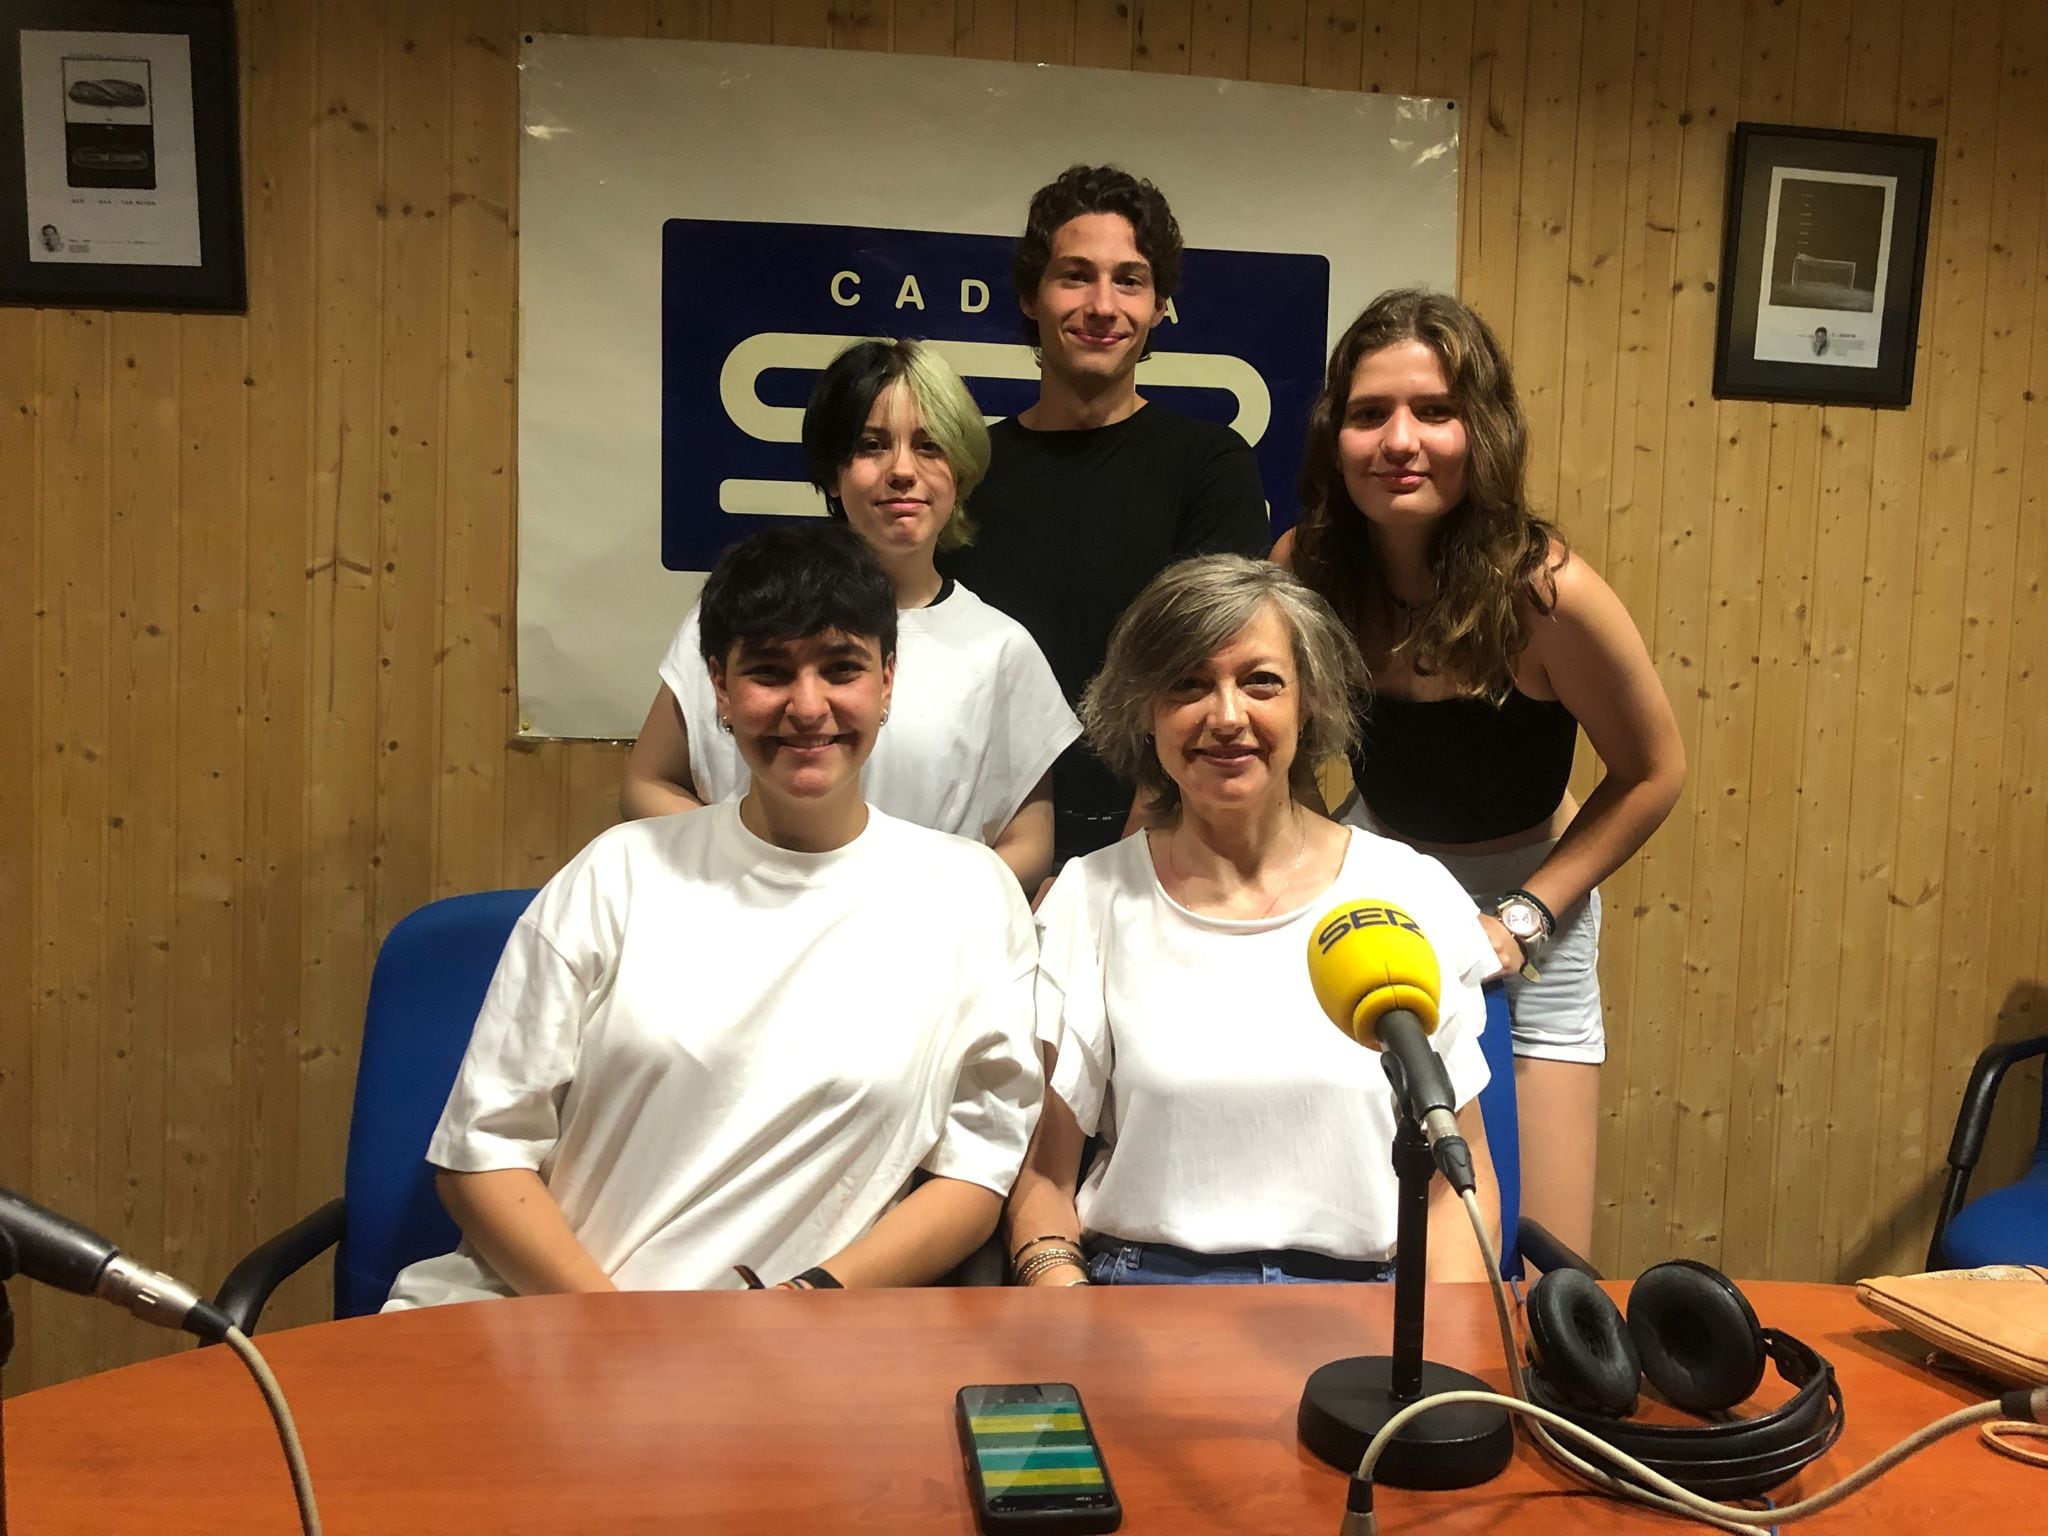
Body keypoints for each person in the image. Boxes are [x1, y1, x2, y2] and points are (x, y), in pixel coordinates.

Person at [387, 525, 1042, 1307]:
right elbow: (481, 1152)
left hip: (796, 1349)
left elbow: (975, 1173)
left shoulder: (968, 895)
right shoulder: (619, 871)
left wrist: (802, 1307)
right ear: (720, 693)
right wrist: (617, 1333)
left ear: (888, 681)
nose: (808, 707)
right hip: (546, 1316)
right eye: (769, 672)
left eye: (842, 669)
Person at [1276, 288, 1685, 1257]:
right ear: (1335, 435)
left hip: (1529, 907)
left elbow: (1652, 772)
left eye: (1434, 411)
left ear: (1482, 431)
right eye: (1370, 413)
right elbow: (1278, 747)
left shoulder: (1544, 592)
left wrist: (1526, 916)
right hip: (1379, 905)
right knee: (1376, 1228)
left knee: (1541, 1257)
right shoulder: (1306, 569)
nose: (1399, 440)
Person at [1002, 556, 1500, 1288]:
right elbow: (1043, 1183)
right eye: (1187, 685)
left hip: (1369, 1310)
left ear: (1310, 703)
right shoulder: (1091, 897)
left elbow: (1460, 1186)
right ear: (1145, 712)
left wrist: (1445, 1368)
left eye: (1261, 682)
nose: (1227, 717)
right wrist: (1069, 1310)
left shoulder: (1407, 891)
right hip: (1144, 1303)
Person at [622, 338, 1078, 892]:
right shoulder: (749, 614)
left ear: (959, 471)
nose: (902, 471)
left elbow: (1029, 840)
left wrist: (928, 906)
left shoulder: (1001, 647)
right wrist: (760, 876)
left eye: (930, 446)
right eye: (871, 445)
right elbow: (647, 784)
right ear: (833, 472)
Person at [941, 164, 1271, 865]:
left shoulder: (1210, 466)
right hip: (978, 852)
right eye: (1074, 276)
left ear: (1157, 306)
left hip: (1160, 851)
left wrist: (1117, 874)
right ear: (1031, 296)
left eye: (1129, 280)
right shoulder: (964, 472)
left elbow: (1205, 671)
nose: (1102, 304)